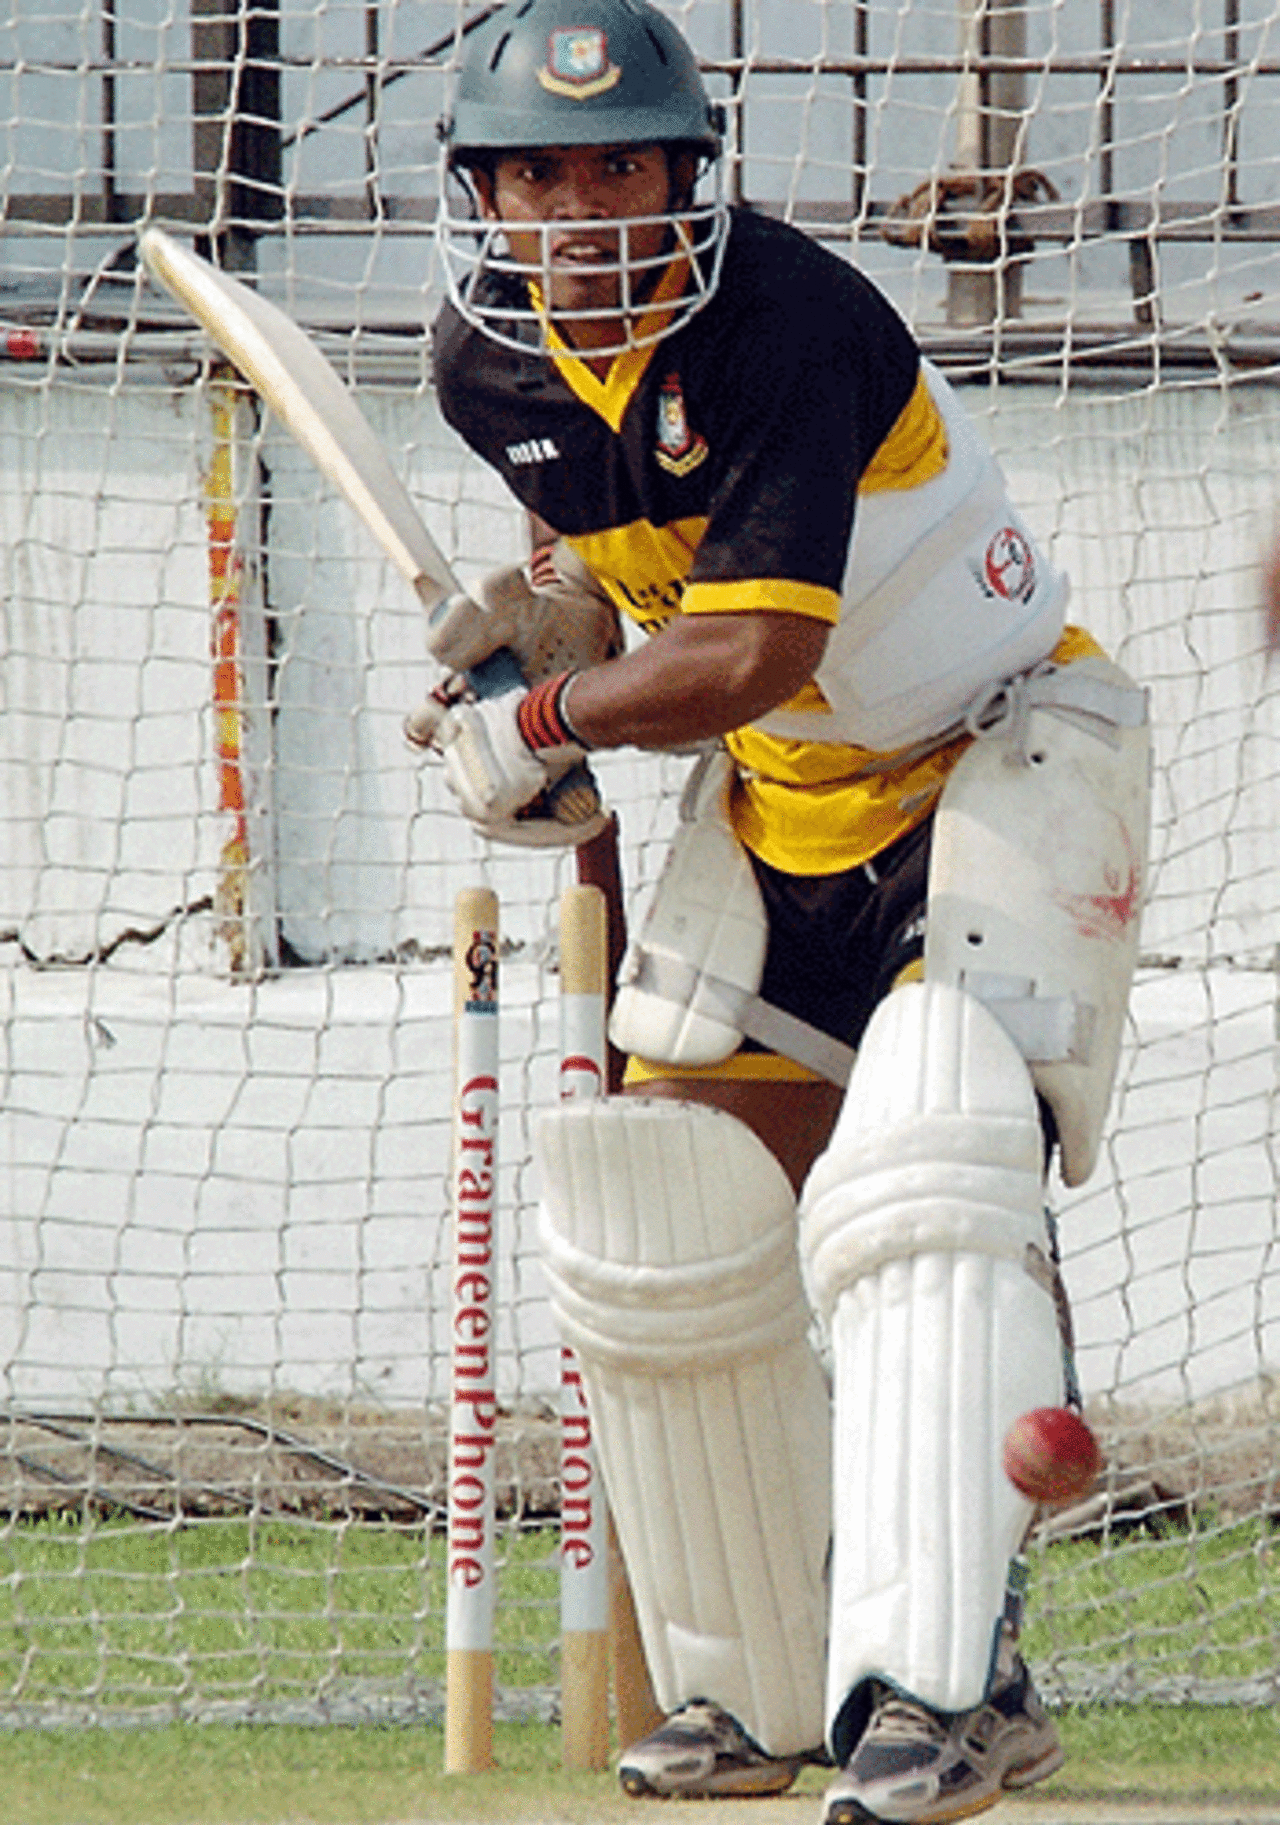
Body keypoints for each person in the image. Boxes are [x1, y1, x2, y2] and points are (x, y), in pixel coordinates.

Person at [409, 4, 1152, 1821]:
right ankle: (757, 1681)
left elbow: (752, 647)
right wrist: (551, 636)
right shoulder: (488, 368)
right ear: (487, 198)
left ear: (687, 175)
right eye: (541, 174)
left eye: (623, 166)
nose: (583, 209)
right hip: (792, 804)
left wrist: (549, 719)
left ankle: (954, 1691)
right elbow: (625, 579)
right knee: (667, 1210)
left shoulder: (787, 326)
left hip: (997, 752)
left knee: (928, 1175)